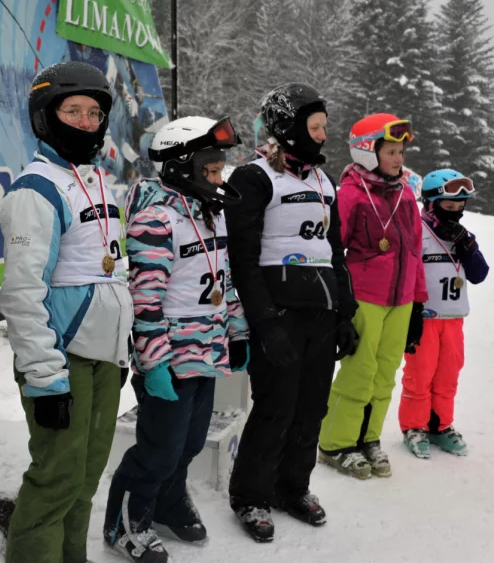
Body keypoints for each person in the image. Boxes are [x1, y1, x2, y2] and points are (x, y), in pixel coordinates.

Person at [0, 61, 133, 563]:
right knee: (56, 478)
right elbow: (21, 294)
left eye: (94, 112)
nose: (85, 121)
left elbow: (112, 274)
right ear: (46, 115)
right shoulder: (36, 189)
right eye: (72, 110)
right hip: (61, 361)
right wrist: (45, 377)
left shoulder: (99, 183)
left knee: (85, 478)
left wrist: (121, 353)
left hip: (101, 358)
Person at [103, 116, 250, 562]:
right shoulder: (156, 219)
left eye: (220, 166)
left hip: (206, 353)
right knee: (159, 450)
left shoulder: (211, 213)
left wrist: (237, 332)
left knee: (187, 444)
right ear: (184, 165)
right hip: (168, 358)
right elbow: (145, 300)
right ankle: (124, 525)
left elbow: (224, 279)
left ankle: (167, 501)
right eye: (211, 167)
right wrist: (154, 363)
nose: (219, 175)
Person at [225, 83, 358, 543]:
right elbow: (242, 259)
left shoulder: (324, 182)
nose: (322, 135)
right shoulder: (253, 177)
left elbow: (333, 251)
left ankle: (291, 486)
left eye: (324, 127)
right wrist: (265, 322)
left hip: (320, 314)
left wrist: (345, 312)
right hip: (278, 315)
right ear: (287, 127)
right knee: (275, 409)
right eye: (314, 127)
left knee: (312, 409)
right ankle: (250, 494)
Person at [318, 113, 427, 479]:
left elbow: (414, 251)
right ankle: (336, 442)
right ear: (367, 151)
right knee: (360, 371)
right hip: (365, 296)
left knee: (385, 373)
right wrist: (340, 310)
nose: (399, 158)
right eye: (391, 151)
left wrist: (418, 304)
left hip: (402, 299)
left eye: (400, 152)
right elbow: (333, 252)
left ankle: (369, 437)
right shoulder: (349, 194)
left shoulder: (406, 193)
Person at [398, 169, 488, 458]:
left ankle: (440, 425)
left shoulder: (462, 235)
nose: (455, 212)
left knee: (448, 375)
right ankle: (415, 426)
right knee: (419, 375)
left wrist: (468, 247)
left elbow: (479, 275)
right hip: (424, 317)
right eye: (448, 207)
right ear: (432, 203)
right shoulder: (418, 231)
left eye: (460, 207)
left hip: (453, 318)